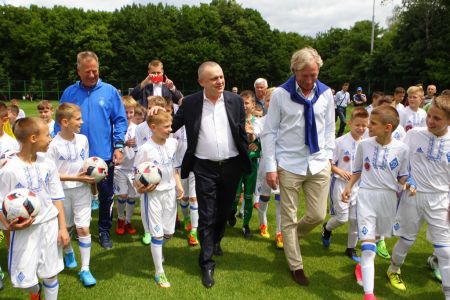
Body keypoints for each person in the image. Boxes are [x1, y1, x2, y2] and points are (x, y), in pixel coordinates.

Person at [159, 61, 251, 288]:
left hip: (231, 165)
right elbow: (171, 125)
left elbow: (240, 130)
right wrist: (156, 114)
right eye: (214, 78)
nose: (220, 81)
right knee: (207, 214)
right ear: (202, 82)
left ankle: (216, 240)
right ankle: (206, 261)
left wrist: (251, 138)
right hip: (203, 167)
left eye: (221, 77)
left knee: (225, 210)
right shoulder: (190, 103)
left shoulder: (235, 100)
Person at [262, 47, 335, 286]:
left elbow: (330, 129)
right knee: (289, 217)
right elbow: (270, 132)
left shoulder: (325, 94)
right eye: (305, 75)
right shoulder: (282, 95)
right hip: (289, 164)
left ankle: (291, 237)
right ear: (294, 70)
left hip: (318, 162)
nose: (310, 80)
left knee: (317, 214)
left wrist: (329, 157)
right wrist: (271, 167)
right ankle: (296, 265)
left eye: (314, 75)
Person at [56, 51, 128, 249]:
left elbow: (120, 120)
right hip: (74, 158)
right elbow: (58, 124)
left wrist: (119, 146)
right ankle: (78, 229)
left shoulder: (110, 92)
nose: (91, 75)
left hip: (102, 157)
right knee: (74, 195)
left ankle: (104, 230)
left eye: (94, 71)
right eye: (87, 71)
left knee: (105, 196)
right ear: (78, 71)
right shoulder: (69, 93)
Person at [342, 105, 413, 300]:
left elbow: (403, 176)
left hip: (388, 199)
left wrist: (409, 184)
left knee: (375, 241)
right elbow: (357, 170)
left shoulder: (402, 149)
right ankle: (369, 294)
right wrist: (348, 187)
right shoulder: (364, 145)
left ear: (387, 127)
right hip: (366, 197)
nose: (368, 127)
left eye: (373, 124)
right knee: (367, 247)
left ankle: (362, 267)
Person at [387, 95, 450, 298]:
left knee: (445, 250)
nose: (430, 121)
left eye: (437, 118)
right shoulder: (414, 134)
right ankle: (394, 269)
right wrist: (406, 179)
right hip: (413, 197)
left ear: (448, 120)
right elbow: (398, 158)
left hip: (440, 199)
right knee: (406, 239)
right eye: (429, 116)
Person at [0, 117, 70, 300]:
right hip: (25, 230)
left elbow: (57, 196)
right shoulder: (9, 169)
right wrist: (8, 225)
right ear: (32, 138)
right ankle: (34, 290)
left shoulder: (48, 163)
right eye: (47, 135)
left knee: (51, 272)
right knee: (24, 279)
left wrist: (62, 227)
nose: (50, 139)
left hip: (49, 224)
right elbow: (1, 203)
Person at [47, 103, 97, 287]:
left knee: (83, 228)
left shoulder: (83, 139)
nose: (82, 122)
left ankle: (85, 269)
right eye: (78, 119)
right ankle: (68, 250)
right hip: (61, 193)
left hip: (82, 190)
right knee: (65, 228)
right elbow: (50, 175)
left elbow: (86, 165)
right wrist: (74, 177)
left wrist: (93, 181)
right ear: (65, 122)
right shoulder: (53, 145)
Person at [134, 111, 183, 288]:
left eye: (171, 126)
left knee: (168, 232)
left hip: (170, 193)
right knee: (157, 235)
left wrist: (178, 184)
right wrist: (141, 187)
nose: (170, 130)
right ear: (153, 128)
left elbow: (174, 167)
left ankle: (159, 250)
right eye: (167, 127)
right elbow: (136, 176)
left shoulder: (173, 143)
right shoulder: (145, 149)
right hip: (152, 196)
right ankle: (159, 273)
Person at [322, 107, 369, 262]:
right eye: (358, 125)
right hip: (340, 184)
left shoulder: (368, 143)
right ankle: (327, 228)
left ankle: (350, 249)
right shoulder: (340, 142)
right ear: (350, 123)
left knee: (355, 219)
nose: (361, 128)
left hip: (359, 186)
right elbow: (329, 163)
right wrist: (339, 171)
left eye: (364, 125)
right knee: (342, 218)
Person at [253, 87, 284, 247]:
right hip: (266, 166)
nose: (270, 103)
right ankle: (263, 223)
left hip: (283, 166)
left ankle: (280, 233)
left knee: (281, 200)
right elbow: (255, 133)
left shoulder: (286, 122)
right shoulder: (260, 121)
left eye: (274, 100)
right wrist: (251, 133)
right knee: (264, 197)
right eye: (267, 100)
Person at [230, 90, 260, 239]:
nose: (244, 106)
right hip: (236, 164)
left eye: (247, 103)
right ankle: (231, 212)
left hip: (252, 165)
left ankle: (246, 225)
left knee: (248, 196)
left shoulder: (259, 122)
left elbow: (263, 143)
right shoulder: (234, 121)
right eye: (241, 103)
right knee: (234, 196)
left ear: (253, 105)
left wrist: (257, 146)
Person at [114, 96, 139, 236]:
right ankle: (120, 219)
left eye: (131, 112)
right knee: (122, 195)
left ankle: (129, 221)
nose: (128, 115)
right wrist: (124, 144)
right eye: (125, 112)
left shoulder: (138, 128)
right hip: (120, 169)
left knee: (131, 197)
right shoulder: (116, 128)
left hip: (133, 169)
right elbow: (113, 144)